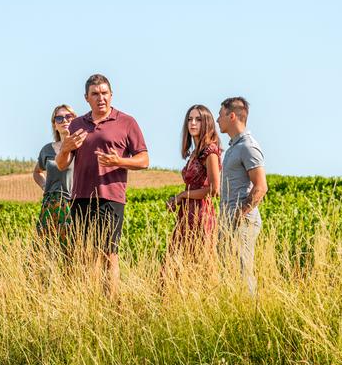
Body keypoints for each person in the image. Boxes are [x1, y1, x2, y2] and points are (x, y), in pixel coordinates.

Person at [55, 74, 149, 295]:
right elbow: (61, 165)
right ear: (86, 98)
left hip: (111, 196)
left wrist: (119, 161)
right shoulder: (77, 124)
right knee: (85, 254)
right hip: (80, 197)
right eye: (95, 94)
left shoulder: (127, 122)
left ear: (111, 95)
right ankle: (91, 301)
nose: (101, 98)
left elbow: (144, 160)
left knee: (108, 253)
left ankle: (111, 304)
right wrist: (66, 147)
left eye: (104, 93)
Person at [216, 96, 268, 295]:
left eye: (220, 115)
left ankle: (251, 315)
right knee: (228, 273)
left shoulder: (248, 146)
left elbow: (261, 187)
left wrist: (239, 214)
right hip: (228, 220)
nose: (217, 119)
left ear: (231, 116)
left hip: (242, 221)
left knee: (243, 272)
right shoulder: (233, 148)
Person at [167, 104, 222, 254]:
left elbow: (214, 189)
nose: (192, 123)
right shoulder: (194, 153)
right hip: (186, 213)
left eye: (198, 119)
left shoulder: (210, 151)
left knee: (199, 262)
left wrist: (184, 195)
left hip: (202, 214)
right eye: (190, 119)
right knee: (176, 262)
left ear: (207, 123)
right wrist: (177, 199)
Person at [32, 104, 76, 244]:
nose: (64, 121)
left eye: (68, 117)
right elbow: (37, 172)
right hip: (50, 205)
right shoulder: (47, 150)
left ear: (75, 119)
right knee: (45, 248)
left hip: (73, 204)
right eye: (59, 118)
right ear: (54, 124)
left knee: (71, 249)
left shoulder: (80, 148)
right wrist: (45, 186)